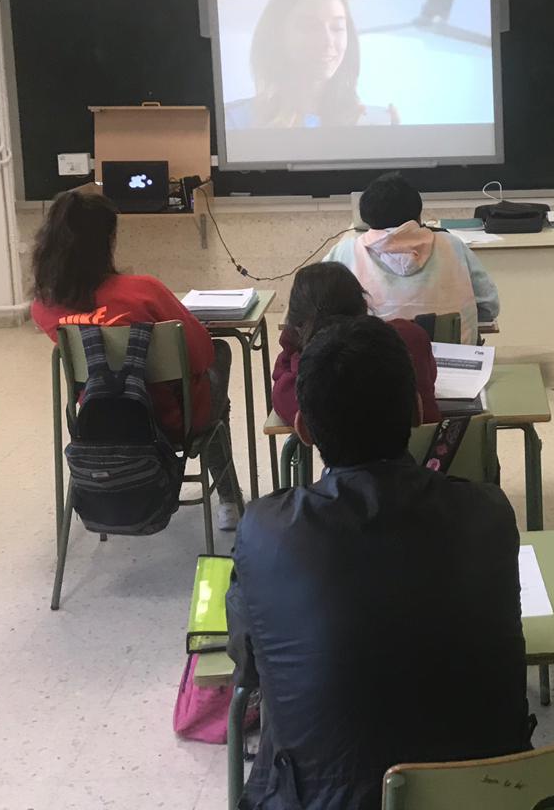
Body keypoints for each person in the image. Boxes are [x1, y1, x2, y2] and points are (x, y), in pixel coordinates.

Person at [227, 316, 530, 809]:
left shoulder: (265, 533)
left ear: (302, 428)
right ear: (416, 412)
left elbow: (248, 663)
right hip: (485, 798)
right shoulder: (489, 512)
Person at [28, 188, 245, 529]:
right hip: (173, 421)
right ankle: (230, 500)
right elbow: (199, 356)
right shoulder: (144, 291)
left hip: (99, 425)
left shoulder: (44, 306)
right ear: (107, 240)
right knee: (220, 351)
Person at [327, 172, 500, 342]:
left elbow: (316, 308)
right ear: (418, 214)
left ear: (365, 216)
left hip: (375, 365)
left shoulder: (345, 252)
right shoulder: (452, 245)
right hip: (453, 364)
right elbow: (489, 306)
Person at [270, 261, 439, 432]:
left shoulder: (309, 374)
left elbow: (279, 392)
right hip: (431, 453)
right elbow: (430, 377)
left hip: (350, 458)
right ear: (364, 305)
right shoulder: (409, 335)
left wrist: (290, 345)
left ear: (296, 325)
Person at [223, 0, 398, 129]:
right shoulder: (232, 122)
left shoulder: (372, 122)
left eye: (337, 27)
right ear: (277, 36)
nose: (327, 41)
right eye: (309, 27)